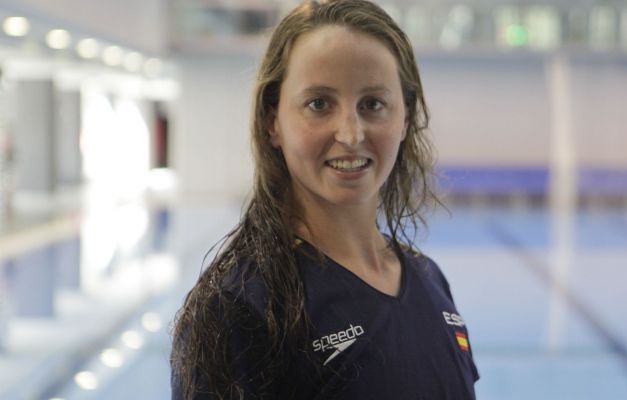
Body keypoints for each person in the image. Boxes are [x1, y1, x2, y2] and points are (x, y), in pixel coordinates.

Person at [170, 0, 479, 398]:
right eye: (318, 104)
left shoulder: (428, 278)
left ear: (405, 118)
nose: (351, 134)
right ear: (273, 123)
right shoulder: (239, 309)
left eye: (373, 104)